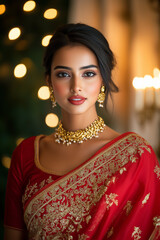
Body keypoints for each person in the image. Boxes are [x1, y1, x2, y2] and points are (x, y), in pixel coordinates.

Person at [4, 23, 160, 240]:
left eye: (88, 74)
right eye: (63, 74)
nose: (76, 86)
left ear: (103, 80)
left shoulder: (135, 155)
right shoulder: (28, 153)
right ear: (49, 80)